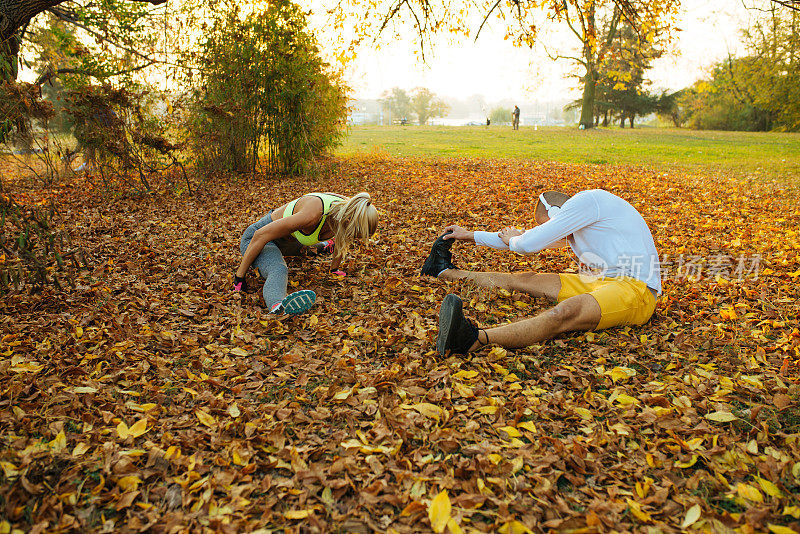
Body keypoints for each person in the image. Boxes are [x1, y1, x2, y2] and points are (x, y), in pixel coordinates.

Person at [421, 189, 661, 355]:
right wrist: (470, 235)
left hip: (637, 291)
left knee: (565, 313)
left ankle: (474, 339)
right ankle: (443, 272)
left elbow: (525, 243)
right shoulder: (583, 220)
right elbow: (526, 238)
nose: (547, 230)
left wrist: (517, 240)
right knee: (526, 279)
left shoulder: (587, 202)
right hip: (602, 281)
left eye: (544, 224)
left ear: (555, 214)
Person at [236, 192, 378, 314]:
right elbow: (260, 235)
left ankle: (323, 246)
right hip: (260, 240)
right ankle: (277, 307)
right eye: (355, 235)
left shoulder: (351, 208)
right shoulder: (312, 214)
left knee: (309, 249)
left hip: (289, 242)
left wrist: (334, 269)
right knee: (278, 269)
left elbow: (342, 238)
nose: (353, 238)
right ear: (349, 222)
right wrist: (239, 277)